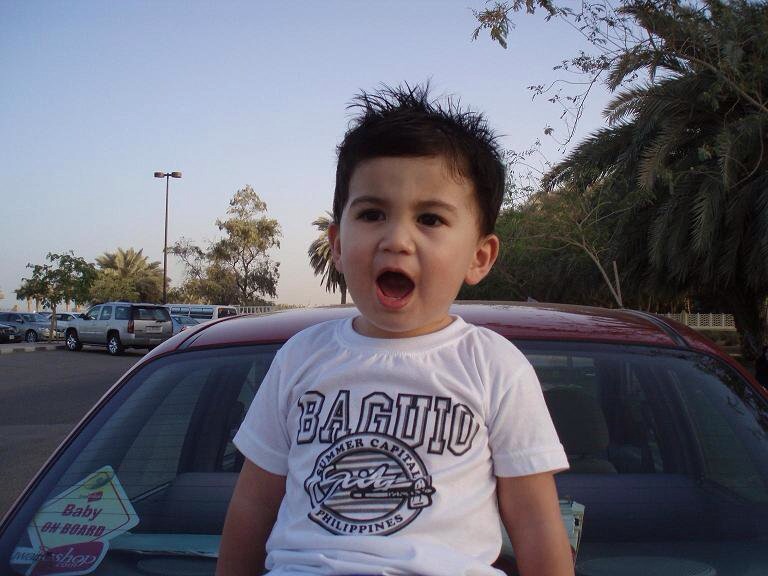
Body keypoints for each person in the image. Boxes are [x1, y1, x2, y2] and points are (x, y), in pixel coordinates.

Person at [217, 84, 573, 576]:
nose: (397, 240)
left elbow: (535, 522)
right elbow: (253, 505)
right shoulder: (300, 357)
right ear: (337, 246)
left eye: (430, 218)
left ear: (479, 256)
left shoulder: (495, 367)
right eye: (372, 214)